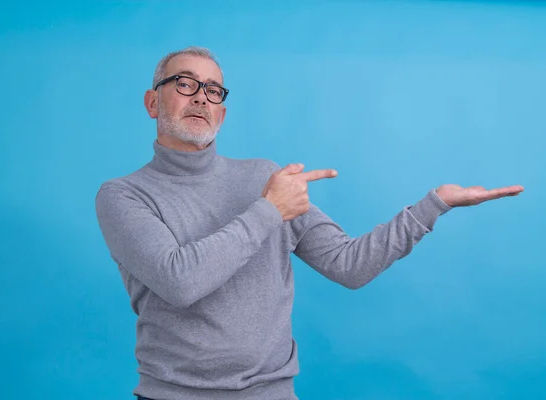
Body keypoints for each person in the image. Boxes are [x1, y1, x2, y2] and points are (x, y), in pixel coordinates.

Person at [94, 46, 524, 400]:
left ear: (222, 114)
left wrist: (433, 206)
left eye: (213, 90)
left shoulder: (265, 177)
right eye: (185, 83)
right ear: (153, 102)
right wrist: (269, 210)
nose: (201, 97)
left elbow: (349, 265)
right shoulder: (122, 195)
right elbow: (180, 282)